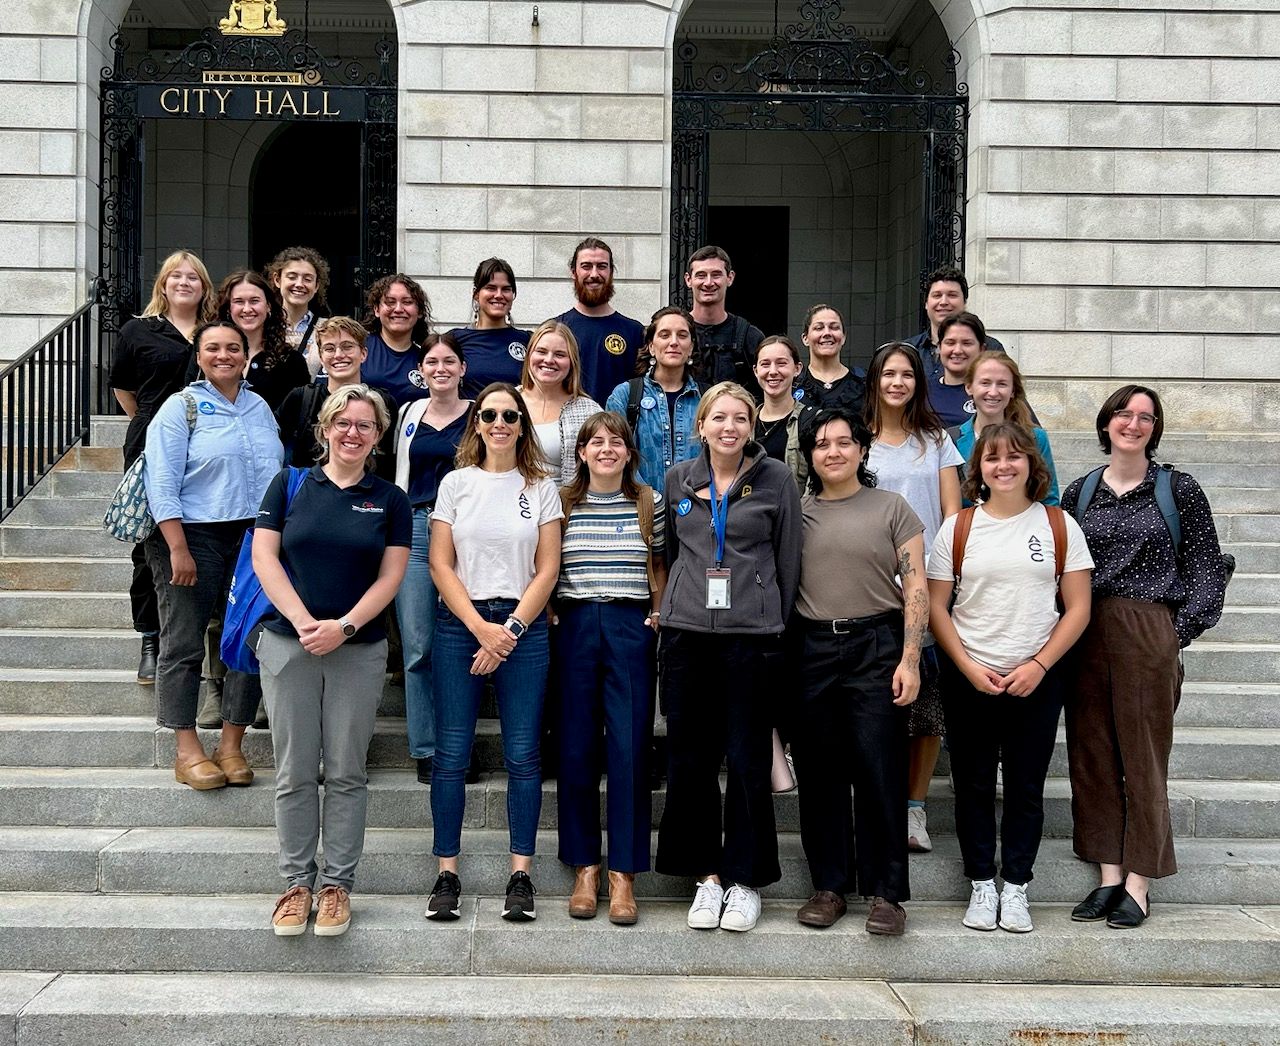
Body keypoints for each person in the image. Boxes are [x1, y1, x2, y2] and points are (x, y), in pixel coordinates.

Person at [1061, 386, 1227, 929]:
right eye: (1124, 414)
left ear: (1155, 429)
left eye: (1145, 417)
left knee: (1143, 757)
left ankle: (1139, 882)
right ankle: (1109, 876)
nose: (1133, 424)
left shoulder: (1178, 489)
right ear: (1107, 422)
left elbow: (1206, 567)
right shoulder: (1080, 492)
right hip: (1086, 630)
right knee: (1092, 755)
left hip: (1149, 627)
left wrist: (1173, 633)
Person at [253, 385, 412, 938]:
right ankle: (296, 884)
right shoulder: (291, 483)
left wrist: (344, 627)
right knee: (295, 771)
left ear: (378, 436)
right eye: (342, 423)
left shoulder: (389, 499)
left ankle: (337, 886)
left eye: (364, 426)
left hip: (358, 650)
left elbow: (391, 577)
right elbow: (263, 557)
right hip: (289, 644)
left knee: (346, 772)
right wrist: (304, 623)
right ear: (324, 429)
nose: (352, 433)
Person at [927, 422, 1093, 933]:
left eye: (1014, 457)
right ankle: (981, 883)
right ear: (978, 468)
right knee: (972, 785)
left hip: (1036, 678)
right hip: (971, 675)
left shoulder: (1058, 524)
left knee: (1025, 787)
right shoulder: (957, 528)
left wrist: (1039, 665)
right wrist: (969, 667)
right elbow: (936, 607)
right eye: (993, 458)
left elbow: (1079, 607)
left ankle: (1016, 886)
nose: (1004, 466)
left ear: (1031, 464)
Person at [654, 381, 802, 933]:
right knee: (689, 760)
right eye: (719, 417)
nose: (729, 427)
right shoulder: (677, 480)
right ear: (702, 425)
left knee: (745, 762)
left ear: (752, 426)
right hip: (688, 636)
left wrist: (770, 619)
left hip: (752, 638)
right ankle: (706, 876)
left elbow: (788, 559)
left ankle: (745, 880)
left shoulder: (776, 480)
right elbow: (671, 553)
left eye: (740, 418)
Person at [424, 383, 562, 923]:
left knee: (524, 755)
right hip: (462, 622)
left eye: (511, 414)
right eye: (490, 414)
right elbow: (440, 563)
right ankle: (447, 873)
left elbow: (548, 568)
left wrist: (508, 629)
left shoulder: (542, 485)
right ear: (476, 423)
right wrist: (482, 628)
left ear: (522, 424)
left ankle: (520, 875)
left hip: (521, 627)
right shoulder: (456, 484)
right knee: (452, 756)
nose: (500, 422)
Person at [792, 408, 927, 936]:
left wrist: (910, 659)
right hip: (812, 648)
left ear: (862, 449)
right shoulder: (797, 513)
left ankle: (888, 893)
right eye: (821, 444)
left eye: (844, 442)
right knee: (821, 774)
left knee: (879, 769)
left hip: (877, 644)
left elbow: (916, 587)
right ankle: (829, 886)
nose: (833, 452)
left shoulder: (893, 507)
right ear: (810, 456)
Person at [141, 320, 283, 791]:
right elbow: (160, 482)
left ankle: (231, 744)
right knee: (183, 642)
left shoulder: (259, 407)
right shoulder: (180, 408)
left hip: (249, 538)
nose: (224, 355)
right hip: (190, 535)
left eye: (233, 348)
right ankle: (186, 749)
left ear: (246, 355)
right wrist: (177, 547)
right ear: (199, 357)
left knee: (245, 639)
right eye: (213, 348)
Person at [555, 412, 667, 925]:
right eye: (595, 442)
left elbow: (662, 564)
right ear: (580, 453)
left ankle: (624, 873)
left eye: (615, 442)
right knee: (576, 746)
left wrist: (658, 610)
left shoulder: (648, 503)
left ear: (629, 452)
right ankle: (585, 867)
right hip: (575, 624)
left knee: (628, 747)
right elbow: (546, 562)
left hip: (630, 624)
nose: (605, 449)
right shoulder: (562, 503)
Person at [864, 341, 963, 855]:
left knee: (925, 703)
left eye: (906, 374)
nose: (897, 382)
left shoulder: (936, 440)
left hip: (924, 583)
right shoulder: (859, 441)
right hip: (871, 584)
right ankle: (877, 802)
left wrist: (936, 578)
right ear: (875, 381)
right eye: (888, 374)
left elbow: (951, 511)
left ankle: (915, 808)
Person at [109, 250, 217, 685]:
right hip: (150, 441)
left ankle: (202, 639)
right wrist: (155, 424)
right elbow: (123, 390)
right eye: (177, 276)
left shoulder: (215, 332)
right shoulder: (139, 330)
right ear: (164, 284)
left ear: (204, 286)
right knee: (149, 544)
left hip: (206, 443)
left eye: (194, 276)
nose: (185, 282)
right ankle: (151, 638)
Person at [393, 332, 472, 785]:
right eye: (431, 362)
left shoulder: (483, 412)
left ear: (462, 369)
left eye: (449, 361)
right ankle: (428, 747)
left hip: (468, 532)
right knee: (419, 642)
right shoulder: (407, 413)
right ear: (421, 370)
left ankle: (458, 745)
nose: (440, 368)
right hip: (418, 529)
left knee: (461, 642)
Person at [604, 305, 704, 493]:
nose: (674, 342)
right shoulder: (625, 396)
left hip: (696, 510)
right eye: (664, 335)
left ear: (690, 347)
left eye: (682, 335)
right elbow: (612, 454)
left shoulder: (707, 399)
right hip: (639, 507)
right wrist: (647, 498)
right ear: (651, 346)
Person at [952, 351, 1059, 506]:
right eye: (985, 383)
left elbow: (1049, 499)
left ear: (1013, 391)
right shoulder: (951, 439)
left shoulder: (1035, 438)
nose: (993, 392)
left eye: (1002, 384)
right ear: (969, 387)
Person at [555, 237, 644, 404]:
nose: (594, 274)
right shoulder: (556, 329)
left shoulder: (634, 332)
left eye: (602, 266)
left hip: (618, 428)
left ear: (611, 272)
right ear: (573, 272)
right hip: (567, 426)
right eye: (586, 266)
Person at [519, 320, 602, 487]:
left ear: (572, 362)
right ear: (529, 356)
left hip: (567, 506)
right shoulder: (506, 401)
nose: (549, 360)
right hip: (510, 503)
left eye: (560, 354)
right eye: (541, 351)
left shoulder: (589, 411)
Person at [216, 270, 310, 413]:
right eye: (239, 301)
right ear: (229, 308)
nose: (247, 309)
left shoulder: (291, 360)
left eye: (254, 301)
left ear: (268, 306)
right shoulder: (209, 355)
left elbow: (300, 416)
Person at [684, 245, 764, 396]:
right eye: (701, 275)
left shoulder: (750, 336)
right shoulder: (675, 335)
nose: (708, 283)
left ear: (730, 278)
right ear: (688, 280)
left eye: (716, 275)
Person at [905, 265, 1004, 385]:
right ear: (926, 303)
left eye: (952, 295)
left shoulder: (991, 348)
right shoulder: (909, 350)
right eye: (937, 295)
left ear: (965, 303)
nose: (944, 302)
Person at [447, 257, 530, 397]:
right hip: (469, 418)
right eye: (491, 288)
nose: (499, 295)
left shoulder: (528, 340)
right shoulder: (454, 340)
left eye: (506, 289)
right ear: (476, 293)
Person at [361, 273, 433, 406]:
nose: (399, 309)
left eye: (407, 302)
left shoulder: (427, 358)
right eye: (390, 302)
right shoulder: (358, 348)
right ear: (376, 309)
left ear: (420, 311)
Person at [752, 335, 810, 489]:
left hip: (795, 510)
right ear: (756, 371)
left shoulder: (811, 421)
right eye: (765, 364)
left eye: (781, 363)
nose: (773, 371)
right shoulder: (744, 422)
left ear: (797, 369)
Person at [266, 246, 330, 375]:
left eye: (307, 279)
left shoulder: (327, 329)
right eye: (292, 277)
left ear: (316, 285)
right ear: (277, 280)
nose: (299, 284)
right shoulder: (263, 325)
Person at [796, 304, 865, 415]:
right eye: (819, 328)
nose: (827, 333)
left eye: (834, 327)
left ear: (843, 337)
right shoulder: (793, 385)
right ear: (805, 338)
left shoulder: (863, 383)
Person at [926, 311, 987, 428]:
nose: (958, 350)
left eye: (966, 343)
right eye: (950, 343)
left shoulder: (996, 392)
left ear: (982, 349)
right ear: (939, 347)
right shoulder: (921, 393)